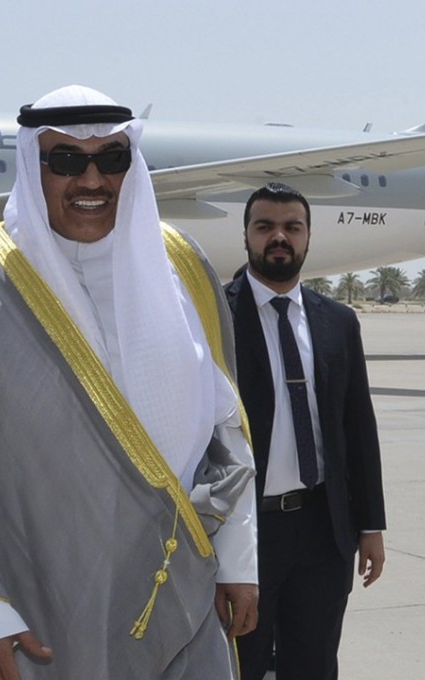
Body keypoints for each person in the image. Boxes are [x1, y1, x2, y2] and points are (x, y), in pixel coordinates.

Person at [0, 85, 259, 679]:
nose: (91, 180)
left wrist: (237, 560)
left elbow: (227, 430)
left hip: (176, 577)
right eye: (66, 161)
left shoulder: (181, 262)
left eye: (112, 159)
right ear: (32, 165)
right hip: (39, 591)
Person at [224, 182, 386, 680]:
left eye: (292, 227)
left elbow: (357, 427)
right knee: (241, 665)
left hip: (322, 530)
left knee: (313, 665)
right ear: (247, 236)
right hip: (246, 534)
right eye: (265, 226)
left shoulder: (338, 320)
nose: (279, 237)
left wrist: (370, 525)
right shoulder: (215, 315)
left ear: (308, 237)